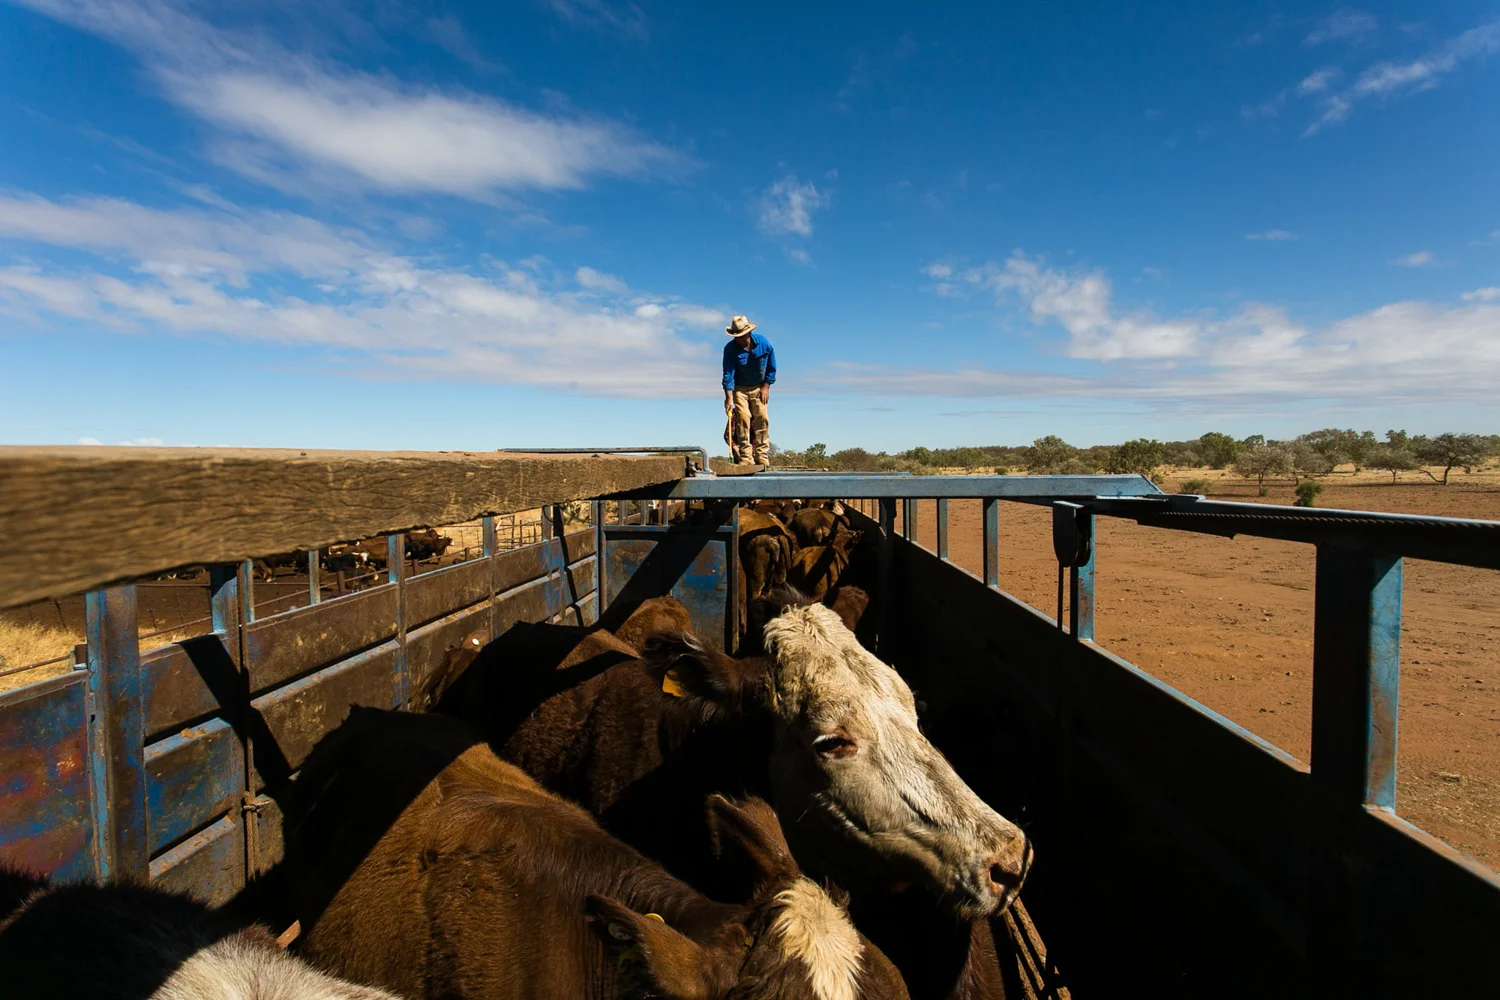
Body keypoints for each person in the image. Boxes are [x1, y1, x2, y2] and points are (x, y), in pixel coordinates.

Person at [721, 315, 776, 466]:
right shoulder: (730, 349)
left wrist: (766, 387)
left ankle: (762, 455)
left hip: (759, 386)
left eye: (740, 336)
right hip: (740, 388)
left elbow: (772, 367)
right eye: (735, 336)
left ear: (748, 334)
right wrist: (729, 398)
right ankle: (746, 457)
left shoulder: (763, 343)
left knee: (762, 418)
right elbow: (728, 374)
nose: (737, 339)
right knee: (743, 418)